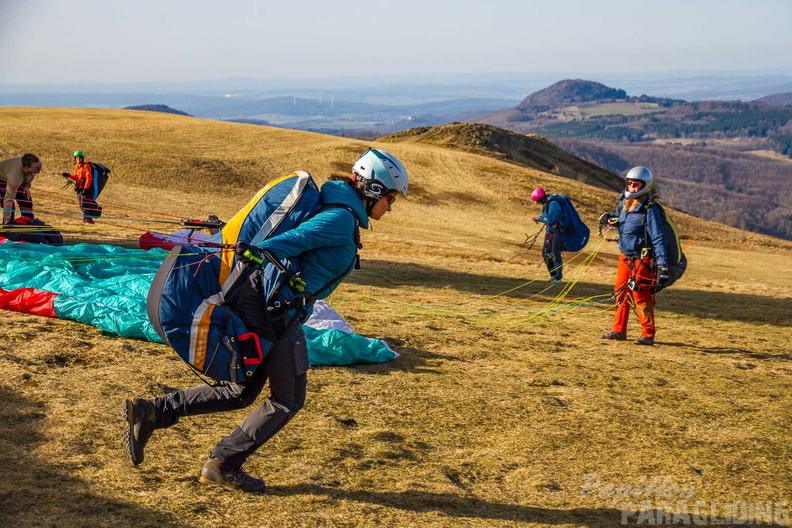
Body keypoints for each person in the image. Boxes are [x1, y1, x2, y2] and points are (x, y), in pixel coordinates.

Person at [123, 148, 408, 493]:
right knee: (287, 399)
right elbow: (288, 242)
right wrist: (257, 251)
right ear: (374, 190)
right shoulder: (340, 219)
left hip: (270, 310)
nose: (390, 207)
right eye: (391, 198)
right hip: (277, 316)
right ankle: (222, 463)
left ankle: (153, 412)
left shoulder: (337, 209)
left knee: (241, 390)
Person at [599, 166, 668, 346]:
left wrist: (662, 264)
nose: (631, 187)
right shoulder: (624, 204)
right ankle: (618, 330)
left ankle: (648, 333)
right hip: (625, 257)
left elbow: (658, 237)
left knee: (640, 296)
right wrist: (609, 218)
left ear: (644, 186)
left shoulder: (650, 208)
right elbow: (622, 223)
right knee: (620, 293)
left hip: (642, 259)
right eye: (629, 184)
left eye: (636, 185)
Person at [531, 187, 564, 283]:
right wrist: (540, 218)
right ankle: (553, 275)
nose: (538, 203)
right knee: (545, 254)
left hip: (558, 231)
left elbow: (550, 220)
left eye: (537, 201)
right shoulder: (546, 204)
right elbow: (546, 217)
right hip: (550, 232)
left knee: (555, 254)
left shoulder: (554, 204)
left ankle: (558, 278)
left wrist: (538, 219)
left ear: (541, 198)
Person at [0, 154, 42, 225]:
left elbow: (31, 174)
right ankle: (7, 227)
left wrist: (26, 187)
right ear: (26, 167)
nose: (39, 168)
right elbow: (8, 199)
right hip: (2, 179)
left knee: (26, 202)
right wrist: (7, 219)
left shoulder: (35, 166)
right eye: (37, 167)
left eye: (40, 165)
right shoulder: (15, 176)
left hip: (20, 178)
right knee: (11, 208)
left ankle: (29, 226)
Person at [62, 150, 102, 223]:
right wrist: (69, 175)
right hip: (79, 188)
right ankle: (87, 219)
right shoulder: (77, 166)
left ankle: (88, 218)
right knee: (82, 204)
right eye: (76, 157)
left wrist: (85, 189)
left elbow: (89, 178)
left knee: (84, 204)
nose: (78, 159)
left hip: (85, 188)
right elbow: (76, 176)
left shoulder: (86, 166)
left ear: (82, 158)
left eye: (80, 157)